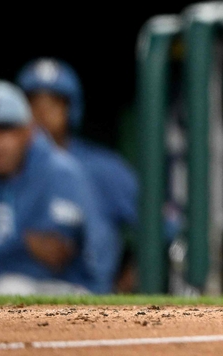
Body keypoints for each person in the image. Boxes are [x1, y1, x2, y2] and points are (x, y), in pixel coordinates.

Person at [0, 81, 114, 294]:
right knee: (5, 287)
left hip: (70, 292)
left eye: (6, 129)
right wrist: (26, 245)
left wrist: (98, 291)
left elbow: (98, 246)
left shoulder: (63, 173)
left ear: (27, 131)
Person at [16, 59, 138, 283]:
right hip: (19, 289)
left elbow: (158, 227)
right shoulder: (6, 170)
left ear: (72, 109)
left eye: (54, 102)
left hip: (86, 295)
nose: (42, 113)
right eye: (33, 103)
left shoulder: (104, 168)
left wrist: (132, 275)